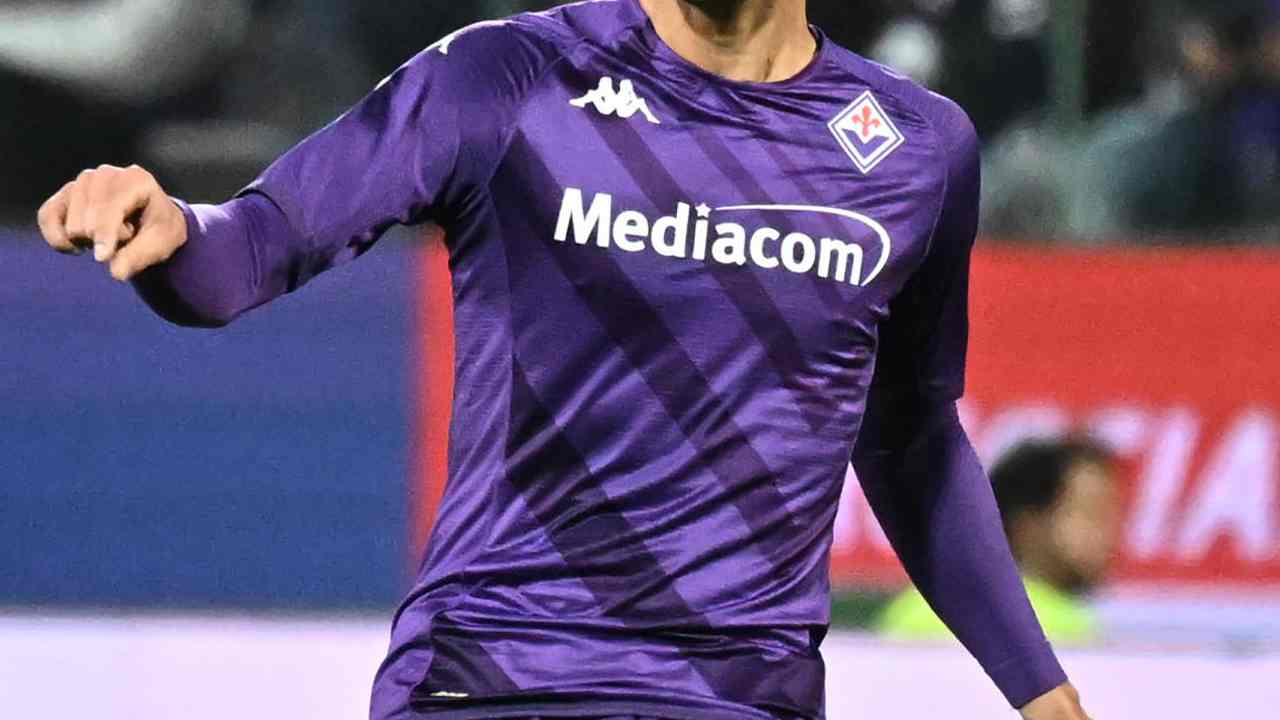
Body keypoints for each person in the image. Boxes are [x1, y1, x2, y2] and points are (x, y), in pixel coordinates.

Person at [35, 0, 1091, 718]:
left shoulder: (916, 149)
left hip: (740, 696)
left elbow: (910, 438)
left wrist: (1040, 692)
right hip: (498, 674)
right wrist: (170, 230)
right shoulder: (509, 77)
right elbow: (249, 253)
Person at [878, 438, 1120, 645]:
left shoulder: (911, 609)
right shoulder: (1069, 631)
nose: (1107, 532)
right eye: (1091, 512)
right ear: (1028, 524)